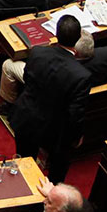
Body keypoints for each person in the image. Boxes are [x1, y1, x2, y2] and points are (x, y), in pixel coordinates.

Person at [9, 16, 90, 182]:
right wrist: (77, 136)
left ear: (56, 33)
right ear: (77, 40)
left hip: (27, 116)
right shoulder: (81, 75)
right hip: (54, 129)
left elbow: (27, 77)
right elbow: (76, 113)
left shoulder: (38, 52)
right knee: (58, 170)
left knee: (24, 163)